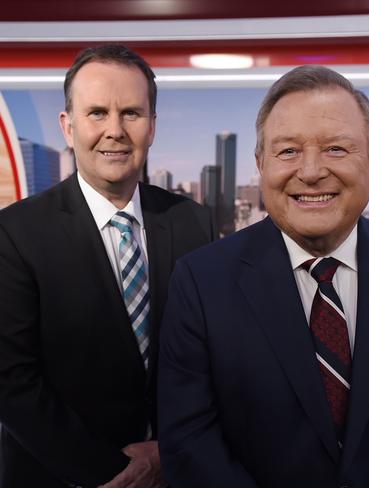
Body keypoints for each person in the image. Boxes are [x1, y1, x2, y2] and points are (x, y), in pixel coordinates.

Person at [157, 65, 369, 487]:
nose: (311, 171)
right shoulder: (201, 282)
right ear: (261, 165)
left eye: (335, 149)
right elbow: (188, 442)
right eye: (288, 151)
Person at [0, 44, 214, 487]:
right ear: (68, 124)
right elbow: (11, 380)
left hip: (175, 471)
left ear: (152, 127)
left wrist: (166, 452)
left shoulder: (193, 223)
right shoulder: (14, 232)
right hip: (63, 477)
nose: (114, 130)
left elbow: (211, 359)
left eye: (131, 113)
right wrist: (112, 472)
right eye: (97, 112)